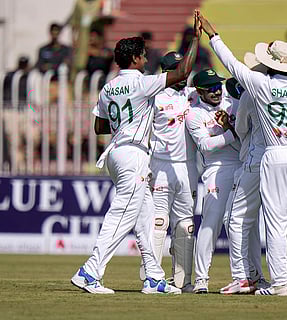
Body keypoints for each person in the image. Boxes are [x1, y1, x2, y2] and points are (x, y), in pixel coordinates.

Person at [199, 13, 287, 296]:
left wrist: (213, 36)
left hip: (274, 155)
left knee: (276, 222)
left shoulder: (260, 84)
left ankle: (280, 284)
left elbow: (231, 64)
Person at [70, 11, 201, 294]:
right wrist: (195, 40)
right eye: (144, 55)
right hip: (134, 154)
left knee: (145, 216)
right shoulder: (143, 82)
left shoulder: (108, 87)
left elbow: (99, 125)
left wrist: (126, 120)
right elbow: (181, 72)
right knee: (123, 213)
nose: (147, 58)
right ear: (136, 59)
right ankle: (90, 271)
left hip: (116, 152)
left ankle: (154, 277)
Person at [220, 55, 287, 296]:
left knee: (236, 218)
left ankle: (244, 277)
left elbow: (240, 128)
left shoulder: (253, 91)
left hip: (257, 159)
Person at [185, 69, 242, 294]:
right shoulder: (194, 114)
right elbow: (206, 146)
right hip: (216, 170)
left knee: (242, 224)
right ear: (199, 91)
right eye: (210, 88)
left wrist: (229, 127)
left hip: (241, 165)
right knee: (211, 223)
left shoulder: (231, 104)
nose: (217, 91)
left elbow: (242, 138)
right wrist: (230, 133)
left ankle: (250, 277)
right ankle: (201, 279)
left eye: (218, 86)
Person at [145, 51, 198, 293]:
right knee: (158, 223)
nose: (184, 72)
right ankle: (152, 277)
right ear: (168, 72)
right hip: (161, 165)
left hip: (188, 166)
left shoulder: (192, 95)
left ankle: (183, 281)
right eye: (178, 69)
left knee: (185, 225)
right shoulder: (154, 97)